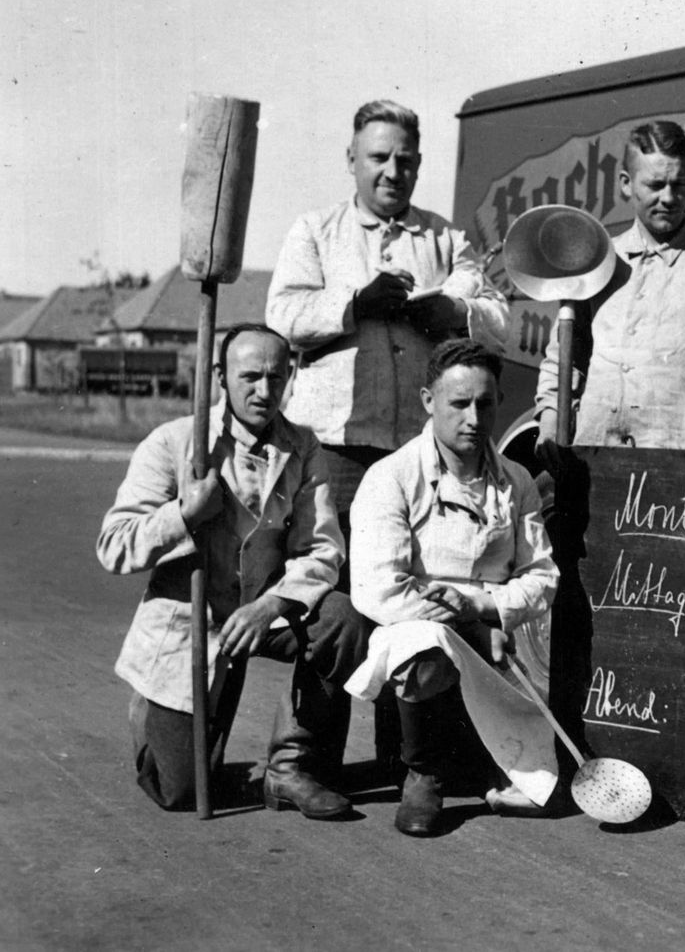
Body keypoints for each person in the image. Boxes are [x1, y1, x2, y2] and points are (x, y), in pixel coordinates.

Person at [97, 324, 368, 818]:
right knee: (177, 788)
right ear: (220, 376)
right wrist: (182, 515)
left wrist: (271, 606)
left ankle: (291, 769)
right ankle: (158, 714)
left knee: (342, 618)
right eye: (250, 377)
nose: (264, 391)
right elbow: (114, 547)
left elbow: (323, 549)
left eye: (276, 377)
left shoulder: (303, 447)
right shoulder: (175, 443)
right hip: (192, 628)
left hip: (266, 614)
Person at [346, 339, 560, 837]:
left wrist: (483, 607)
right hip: (417, 627)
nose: (473, 418)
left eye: (485, 403)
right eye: (458, 404)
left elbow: (542, 575)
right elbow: (378, 587)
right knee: (424, 647)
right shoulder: (392, 477)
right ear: (428, 401)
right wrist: (462, 621)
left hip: (494, 630)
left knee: (536, 788)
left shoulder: (516, 480)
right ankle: (425, 773)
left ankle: (493, 763)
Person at [266, 99, 508, 524]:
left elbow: (499, 321)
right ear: (351, 159)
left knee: (412, 571)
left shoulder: (447, 239)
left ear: (419, 164)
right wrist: (356, 305)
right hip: (331, 447)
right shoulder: (315, 231)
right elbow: (282, 318)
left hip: (420, 450)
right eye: (379, 157)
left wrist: (451, 311)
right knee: (329, 570)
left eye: (406, 160)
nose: (393, 172)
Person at [534, 119, 685, 452]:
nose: (668, 197)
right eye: (655, 185)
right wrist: (550, 425)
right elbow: (563, 358)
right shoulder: (594, 260)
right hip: (593, 456)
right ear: (627, 184)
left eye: (679, 184)